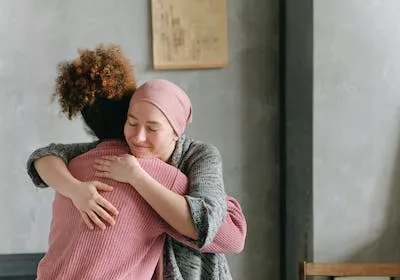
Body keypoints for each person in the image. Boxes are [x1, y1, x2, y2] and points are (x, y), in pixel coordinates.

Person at [28, 47, 247, 280]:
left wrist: (137, 176)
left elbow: (222, 231)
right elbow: (46, 154)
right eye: (132, 123)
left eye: (152, 128)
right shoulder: (109, 157)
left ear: (177, 132)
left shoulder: (198, 157)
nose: (138, 137)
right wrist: (76, 190)